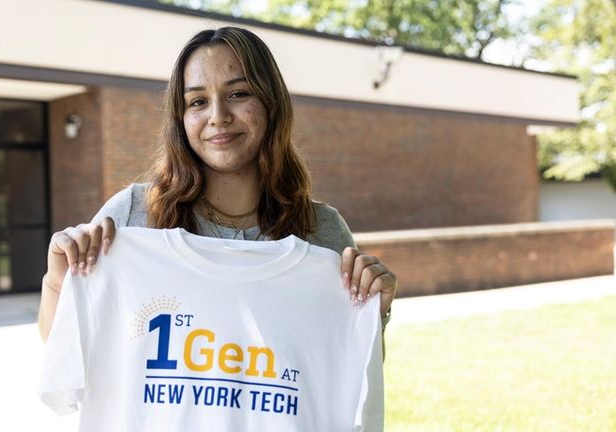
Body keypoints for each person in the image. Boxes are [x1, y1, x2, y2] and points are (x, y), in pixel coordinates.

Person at [38, 26, 397, 343]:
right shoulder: (131, 217)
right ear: (181, 119)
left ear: (271, 104)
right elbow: (66, 350)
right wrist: (58, 279)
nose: (218, 117)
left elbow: (349, 381)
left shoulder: (323, 233)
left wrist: (373, 311)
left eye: (239, 94)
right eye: (197, 101)